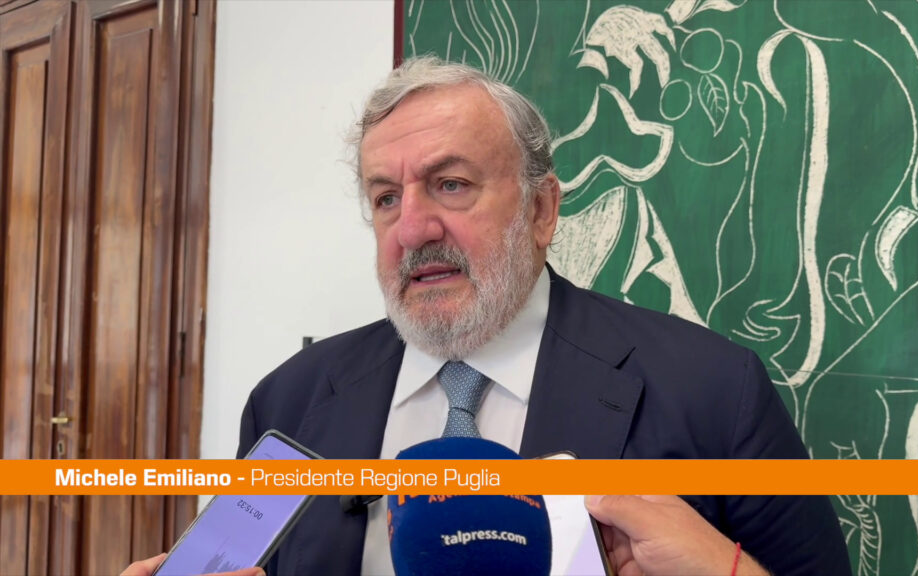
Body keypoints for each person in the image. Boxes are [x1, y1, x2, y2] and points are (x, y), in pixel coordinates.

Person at [125, 56, 850, 576]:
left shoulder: (713, 388)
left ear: (541, 210)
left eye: (451, 184)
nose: (413, 229)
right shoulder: (290, 400)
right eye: (386, 198)